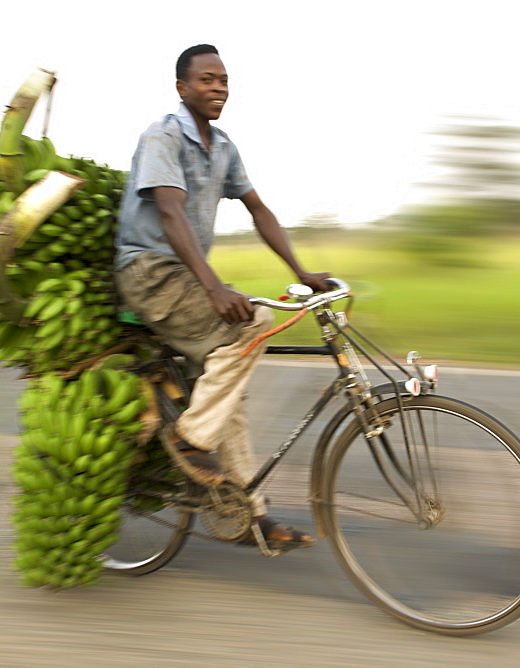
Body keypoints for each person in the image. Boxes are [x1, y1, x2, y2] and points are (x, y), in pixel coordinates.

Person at [114, 44, 332, 548]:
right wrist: (213, 286)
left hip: (182, 276)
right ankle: (191, 439)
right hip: (148, 272)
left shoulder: (224, 146)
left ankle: (246, 515)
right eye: (208, 80)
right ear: (182, 88)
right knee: (253, 324)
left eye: (224, 80)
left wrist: (301, 270)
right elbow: (170, 212)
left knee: (229, 385)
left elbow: (258, 209)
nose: (219, 88)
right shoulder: (162, 136)